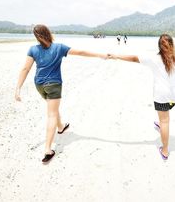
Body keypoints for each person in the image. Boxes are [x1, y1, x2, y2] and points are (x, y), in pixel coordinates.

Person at [15, 24, 107, 163]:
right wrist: (100, 55)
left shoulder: (33, 49)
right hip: (53, 84)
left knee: (53, 108)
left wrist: (18, 88)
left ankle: (61, 127)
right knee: (51, 113)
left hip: (39, 85)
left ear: (37, 37)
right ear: (48, 33)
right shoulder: (59, 47)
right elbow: (81, 52)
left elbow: (25, 69)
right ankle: (47, 149)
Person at [108, 34, 175, 160]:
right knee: (164, 116)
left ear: (159, 46)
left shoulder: (153, 58)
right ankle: (160, 124)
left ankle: (165, 150)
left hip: (161, 96)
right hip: (174, 97)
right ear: (172, 45)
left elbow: (135, 58)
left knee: (165, 121)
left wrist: (116, 56)